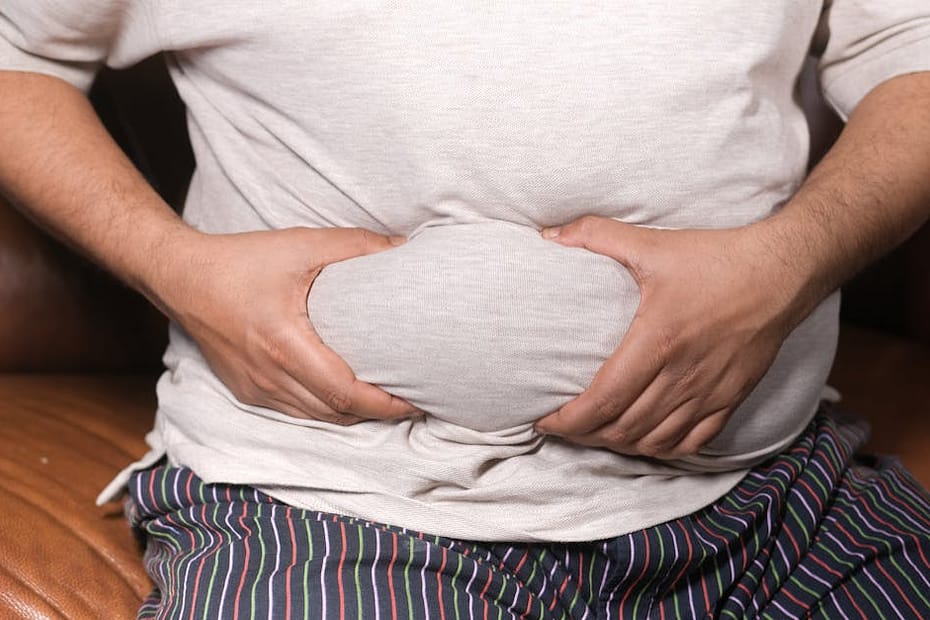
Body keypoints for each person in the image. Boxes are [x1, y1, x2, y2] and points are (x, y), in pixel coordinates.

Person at [2, 3, 930, 618]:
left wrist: (788, 263)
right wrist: (175, 267)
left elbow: (910, 48)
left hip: (774, 503)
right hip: (326, 509)